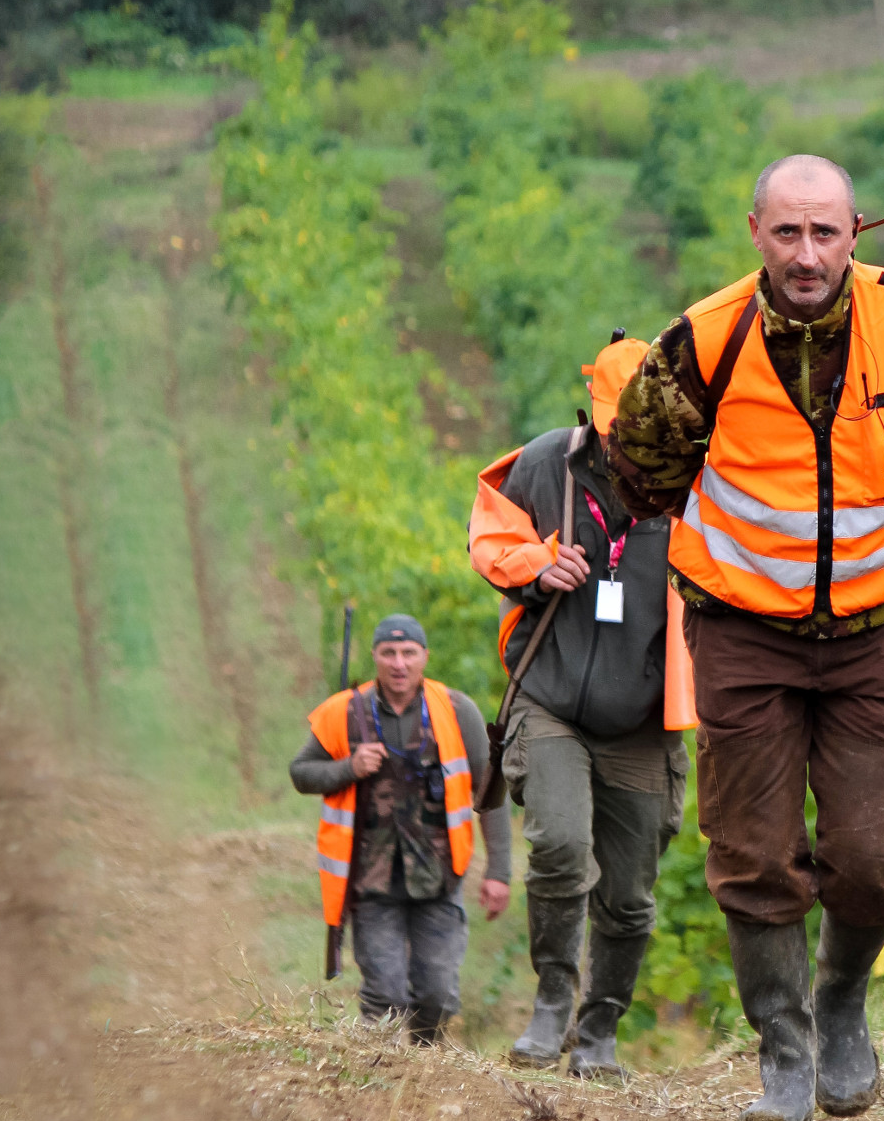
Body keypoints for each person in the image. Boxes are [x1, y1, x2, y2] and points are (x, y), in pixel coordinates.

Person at [605, 154, 884, 1121]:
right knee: (751, 851)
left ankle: (841, 1004)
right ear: (753, 234)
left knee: (873, 854)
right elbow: (641, 465)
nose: (805, 254)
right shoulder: (698, 341)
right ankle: (782, 1052)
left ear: (857, 230)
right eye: (785, 233)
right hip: (740, 635)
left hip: (879, 629)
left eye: (823, 233)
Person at [468, 336, 695, 1078]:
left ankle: (599, 1032)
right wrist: (539, 566)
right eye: (609, 420)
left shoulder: (700, 482)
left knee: (629, 900)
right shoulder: (545, 464)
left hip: (644, 720)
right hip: (551, 699)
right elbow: (489, 529)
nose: (619, 437)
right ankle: (551, 1003)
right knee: (561, 847)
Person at [289, 615, 512, 1042]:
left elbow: (491, 792)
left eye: (408, 652)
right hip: (371, 882)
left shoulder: (457, 710)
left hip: (440, 878)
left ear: (424, 657)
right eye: (388, 653)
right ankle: (380, 1082)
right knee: (384, 998)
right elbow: (301, 773)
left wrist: (499, 871)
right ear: (374, 657)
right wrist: (348, 767)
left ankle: (425, 1071)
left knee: (438, 996)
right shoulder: (344, 710)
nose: (398, 663)